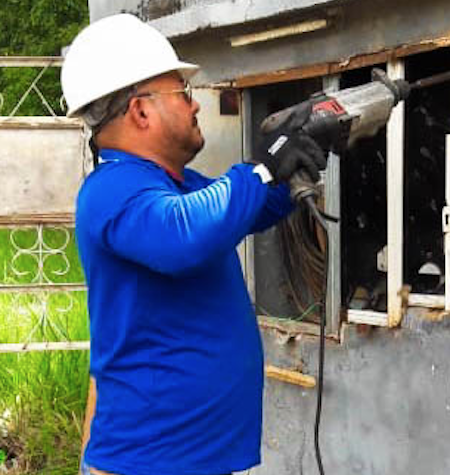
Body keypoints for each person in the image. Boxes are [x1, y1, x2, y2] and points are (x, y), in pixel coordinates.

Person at [60, 14, 328, 475]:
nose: (195, 105)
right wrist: (264, 167)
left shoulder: (174, 186)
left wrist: (300, 156)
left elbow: (248, 208)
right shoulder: (112, 190)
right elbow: (184, 235)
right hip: (148, 464)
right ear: (141, 110)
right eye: (183, 93)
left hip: (191, 461)